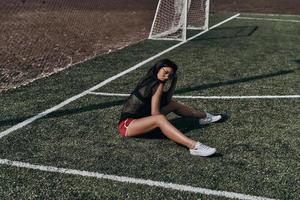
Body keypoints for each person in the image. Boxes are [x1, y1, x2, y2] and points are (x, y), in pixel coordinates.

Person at [118, 59, 222, 156]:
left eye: (170, 75)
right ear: (159, 67)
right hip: (127, 125)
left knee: (172, 104)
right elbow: (155, 113)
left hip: (142, 118)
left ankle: (204, 117)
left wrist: (174, 82)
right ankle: (194, 146)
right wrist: (165, 125)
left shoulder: (152, 80)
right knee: (160, 119)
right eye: (166, 72)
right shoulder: (156, 83)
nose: (167, 76)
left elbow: (166, 101)